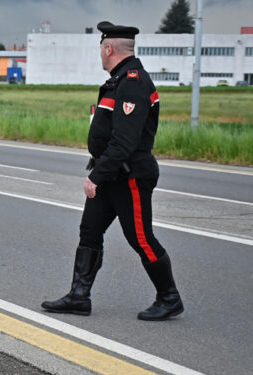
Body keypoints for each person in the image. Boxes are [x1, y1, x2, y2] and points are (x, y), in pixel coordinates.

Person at [41, 21, 184, 321]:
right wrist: (102, 172)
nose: (101, 54)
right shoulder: (117, 81)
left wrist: (96, 175)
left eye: (101, 49)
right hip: (111, 173)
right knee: (89, 231)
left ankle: (169, 298)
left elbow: (125, 142)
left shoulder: (132, 83)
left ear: (108, 48)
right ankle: (79, 297)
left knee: (140, 238)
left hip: (129, 175)